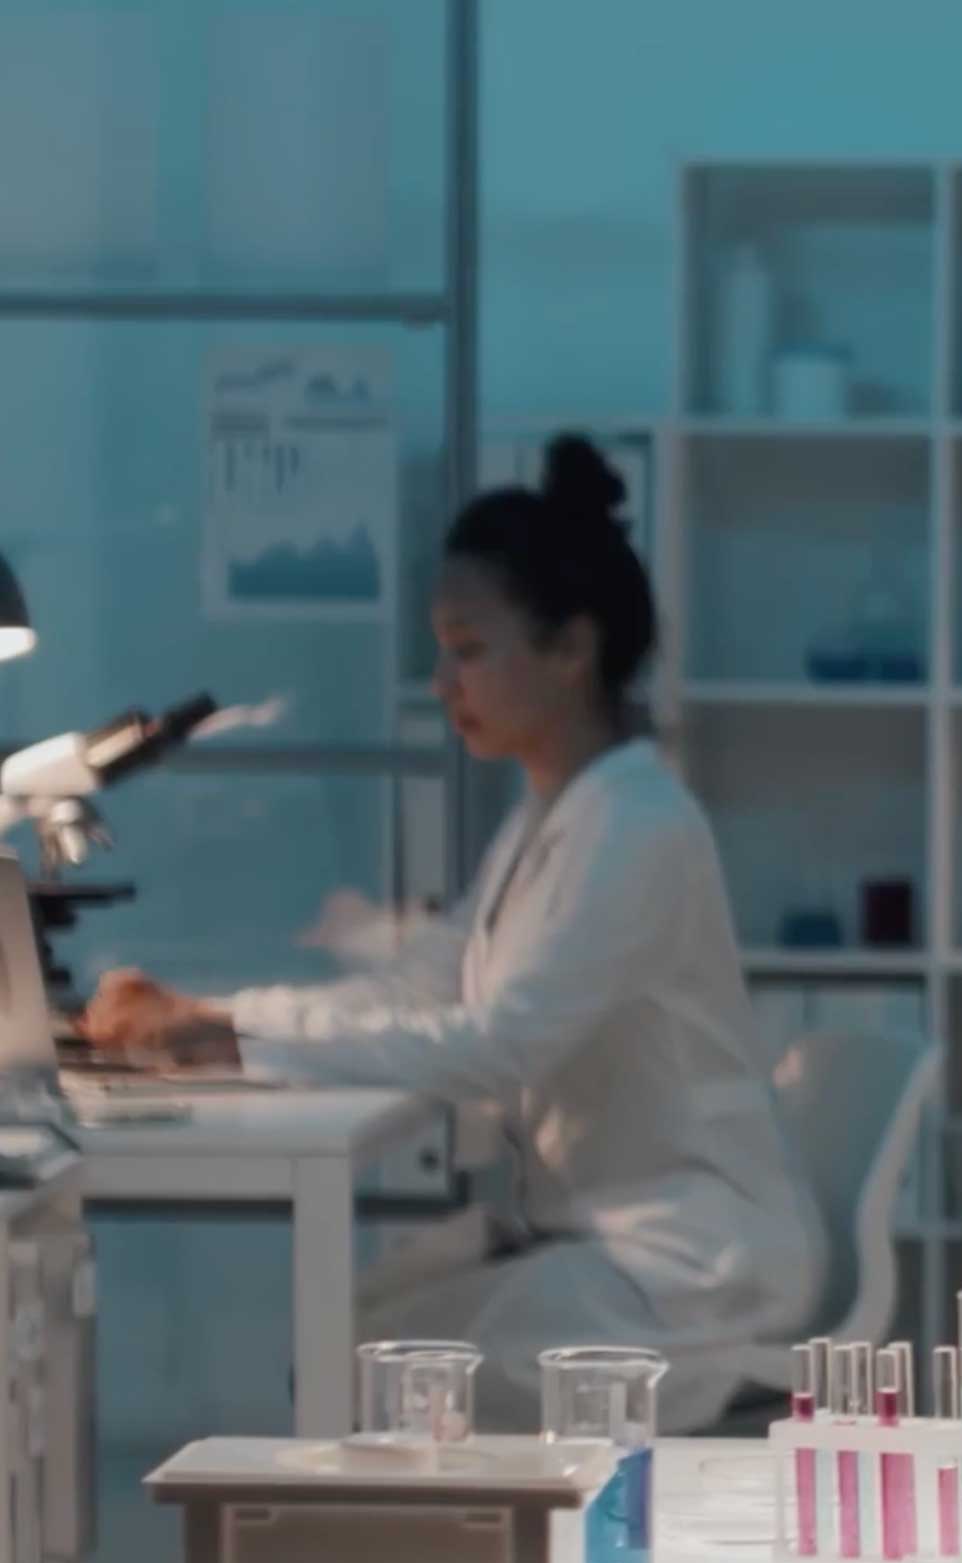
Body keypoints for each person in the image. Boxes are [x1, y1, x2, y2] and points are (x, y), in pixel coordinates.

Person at [79, 437, 821, 1433]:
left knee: (354, 1373)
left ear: (572, 648)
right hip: (609, 1237)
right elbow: (427, 984)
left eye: (469, 649)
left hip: (694, 1268)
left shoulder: (639, 825)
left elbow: (498, 1042)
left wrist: (223, 1036)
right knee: (344, 1344)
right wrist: (215, 1016)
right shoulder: (556, 814)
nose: (444, 682)